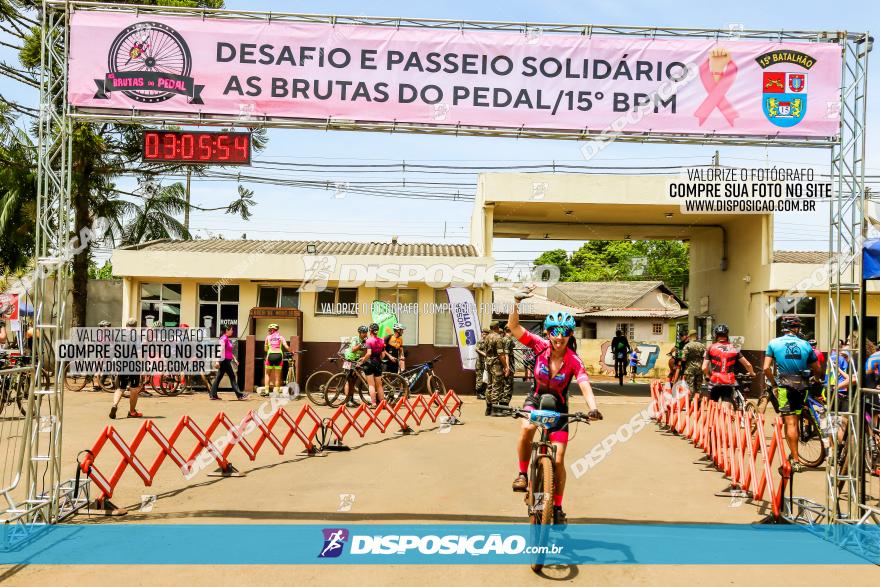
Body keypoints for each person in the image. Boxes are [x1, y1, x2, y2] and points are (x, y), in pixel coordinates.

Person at [507, 295, 601, 526]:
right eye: (555, 332)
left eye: (565, 332)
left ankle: (556, 507)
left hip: (559, 406)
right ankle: (522, 474)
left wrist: (593, 408)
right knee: (527, 427)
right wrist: (516, 302)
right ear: (548, 333)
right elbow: (514, 327)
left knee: (558, 460)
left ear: (570, 335)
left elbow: (584, 384)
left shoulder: (574, 360)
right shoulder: (539, 345)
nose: (559, 337)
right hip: (536, 398)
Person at [763, 315, 821, 474]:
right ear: (797, 329)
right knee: (796, 418)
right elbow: (817, 368)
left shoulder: (773, 343)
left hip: (784, 386)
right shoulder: (805, 344)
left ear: (784, 328)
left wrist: (774, 384)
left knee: (790, 423)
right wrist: (816, 378)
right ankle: (797, 449)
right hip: (802, 386)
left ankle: (795, 460)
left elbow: (766, 368)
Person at [702, 324, 756, 404]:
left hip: (714, 380)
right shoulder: (734, 348)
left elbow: (704, 367)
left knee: (713, 406)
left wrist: (707, 375)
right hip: (729, 381)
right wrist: (752, 373)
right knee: (727, 403)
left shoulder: (710, 348)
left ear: (716, 335)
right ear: (727, 335)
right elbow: (748, 365)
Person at [110, 318, 145, 419]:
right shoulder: (136, 337)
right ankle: (132, 412)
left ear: (126, 325)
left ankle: (114, 405)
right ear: (135, 326)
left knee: (120, 388)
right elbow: (139, 352)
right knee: (134, 389)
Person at [359, 322, 395, 407]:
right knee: (379, 385)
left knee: (371, 385)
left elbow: (368, 354)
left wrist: (363, 360)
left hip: (369, 364)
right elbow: (382, 355)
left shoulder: (368, 341)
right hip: (378, 363)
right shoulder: (381, 340)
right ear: (377, 331)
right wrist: (378, 360)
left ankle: (374, 403)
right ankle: (383, 403)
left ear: (370, 331)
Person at [210, 325, 246, 401]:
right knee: (232, 377)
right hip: (224, 361)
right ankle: (239, 395)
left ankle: (213, 395)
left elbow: (228, 351)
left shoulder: (226, 339)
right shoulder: (223, 339)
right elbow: (220, 350)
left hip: (226, 360)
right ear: (227, 330)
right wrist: (217, 361)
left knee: (218, 378)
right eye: (231, 330)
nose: (232, 331)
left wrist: (234, 359)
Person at [483, 322, 508, 416]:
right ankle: (495, 410)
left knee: (489, 386)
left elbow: (486, 352)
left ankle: (488, 408)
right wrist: (505, 365)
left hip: (488, 363)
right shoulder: (498, 338)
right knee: (496, 386)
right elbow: (501, 354)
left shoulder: (487, 337)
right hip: (496, 364)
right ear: (497, 327)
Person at [343, 326, 369, 408]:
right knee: (348, 380)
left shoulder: (365, 340)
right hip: (349, 359)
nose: (365, 334)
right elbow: (354, 349)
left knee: (353, 381)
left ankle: (351, 399)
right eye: (363, 332)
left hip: (356, 360)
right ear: (359, 333)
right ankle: (347, 401)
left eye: (366, 332)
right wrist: (362, 343)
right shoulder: (355, 339)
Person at [262, 323, 290, 396]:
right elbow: (286, 346)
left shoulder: (268, 337)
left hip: (270, 356)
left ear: (270, 330)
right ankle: (277, 391)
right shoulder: (281, 337)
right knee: (277, 376)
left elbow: (265, 349)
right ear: (276, 330)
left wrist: (268, 347)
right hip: (279, 356)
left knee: (267, 374)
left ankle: (267, 391)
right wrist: (291, 350)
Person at [681, 329, 707, 397]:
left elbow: (683, 359)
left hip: (689, 369)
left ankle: (691, 402)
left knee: (690, 386)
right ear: (696, 336)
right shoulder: (702, 346)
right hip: (699, 368)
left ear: (689, 336)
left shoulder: (687, 346)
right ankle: (698, 402)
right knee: (698, 387)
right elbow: (705, 358)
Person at [500, 326, 517, 407]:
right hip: (508, 364)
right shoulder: (508, 340)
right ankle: (504, 404)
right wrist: (507, 367)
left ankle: (501, 404)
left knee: (503, 384)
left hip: (502, 364)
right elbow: (506, 355)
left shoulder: (502, 339)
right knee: (508, 385)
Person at [474, 328, 489, 399]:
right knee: (479, 378)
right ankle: (478, 393)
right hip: (480, 363)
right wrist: (485, 354)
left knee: (485, 379)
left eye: (486, 334)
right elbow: (477, 349)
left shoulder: (488, 342)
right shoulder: (480, 342)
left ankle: (483, 392)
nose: (484, 335)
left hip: (486, 363)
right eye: (483, 334)